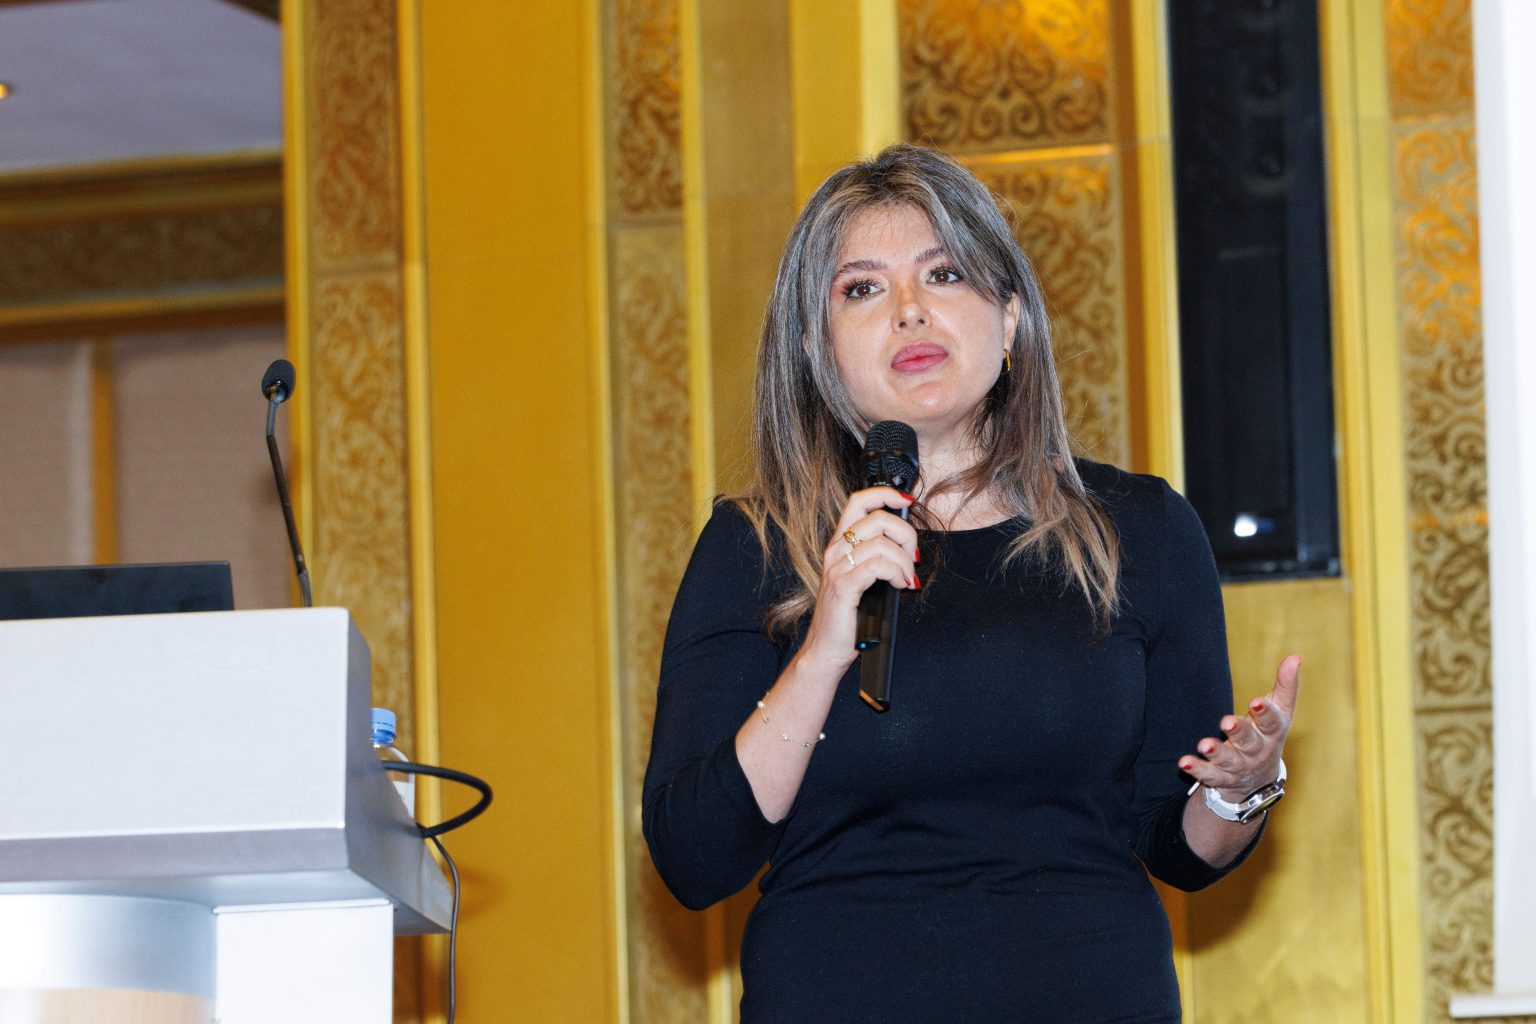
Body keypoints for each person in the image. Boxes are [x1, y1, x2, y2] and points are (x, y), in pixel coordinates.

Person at [642, 143, 1299, 1023]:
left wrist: (1239, 787)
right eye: (862, 289)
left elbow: (1179, 848)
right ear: (814, 346)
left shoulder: (1140, 532)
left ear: (1011, 314)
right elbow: (693, 858)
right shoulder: (756, 546)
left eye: (944, 274)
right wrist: (823, 648)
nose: (910, 311)